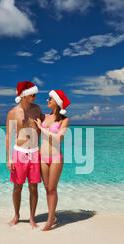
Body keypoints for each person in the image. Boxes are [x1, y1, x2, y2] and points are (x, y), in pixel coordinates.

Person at [6, 81, 44, 229]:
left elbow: (45, 121)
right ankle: (16, 215)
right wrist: (9, 158)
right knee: (17, 187)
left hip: (34, 153)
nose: (35, 97)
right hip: (19, 153)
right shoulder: (13, 113)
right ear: (24, 96)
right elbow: (8, 135)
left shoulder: (37, 109)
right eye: (33, 95)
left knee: (33, 188)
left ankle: (32, 218)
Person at [34, 90, 70, 231]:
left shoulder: (64, 120)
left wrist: (41, 129)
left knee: (52, 189)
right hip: (42, 158)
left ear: (57, 102)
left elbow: (59, 138)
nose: (47, 100)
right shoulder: (44, 117)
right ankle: (53, 216)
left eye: (50, 99)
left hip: (55, 158)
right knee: (47, 189)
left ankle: (50, 220)